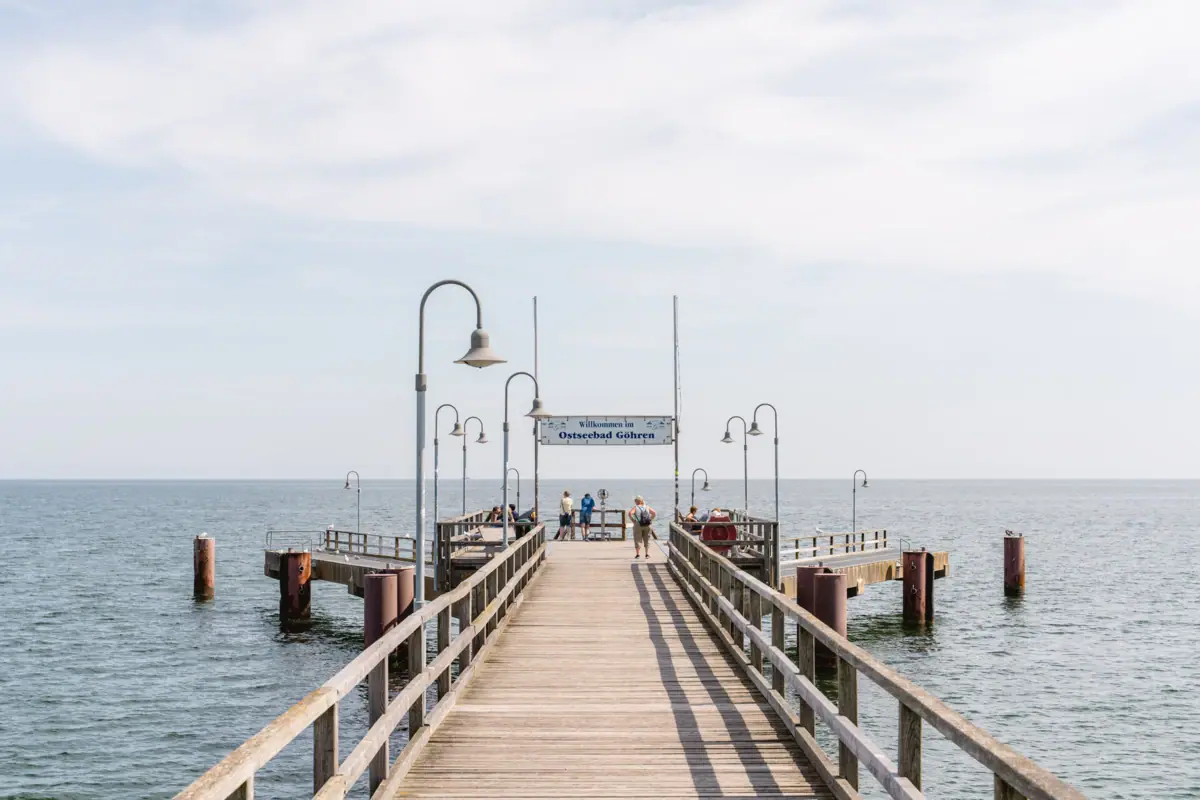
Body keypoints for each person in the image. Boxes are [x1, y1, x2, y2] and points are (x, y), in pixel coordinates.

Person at [628, 495, 657, 560]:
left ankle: (638, 554)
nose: (635, 501)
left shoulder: (635, 507)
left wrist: (633, 520)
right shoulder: (647, 507)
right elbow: (654, 513)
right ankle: (647, 554)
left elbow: (630, 513)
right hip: (647, 524)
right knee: (647, 539)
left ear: (638, 501)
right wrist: (650, 520)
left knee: (637, 539)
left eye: (635, 500)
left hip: (638, 524)